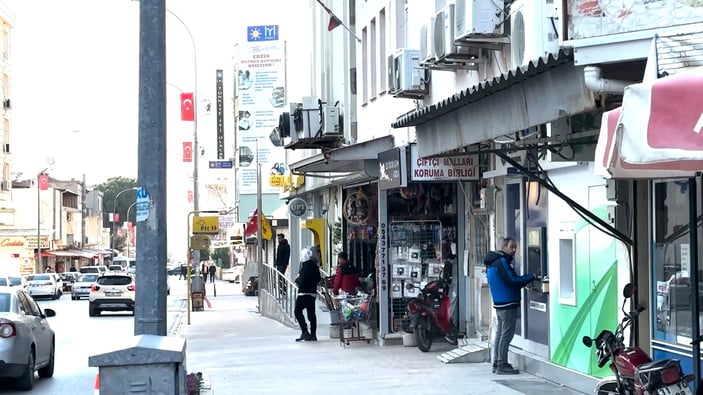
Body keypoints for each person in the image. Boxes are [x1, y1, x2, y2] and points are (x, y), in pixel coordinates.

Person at [485, 237, 536, 375]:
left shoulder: (492, 262)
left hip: (500, 304)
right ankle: (502, 364)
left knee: (500, 335)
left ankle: (496, 363)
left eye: (515, 247)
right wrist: (532, 276)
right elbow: (512, 280)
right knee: (506, 336)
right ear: (504, 247)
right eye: (512, 247)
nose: (514, 250)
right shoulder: (501, 261)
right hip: (507, 304)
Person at [294, 247, 321, 342]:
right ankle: (313, 334)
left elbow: (302, 281)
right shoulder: (315, 266)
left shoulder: (305, 267)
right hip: (312, 293)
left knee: (297, 311)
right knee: (311, 314)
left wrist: (297, 279)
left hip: (303, 293)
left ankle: (304, 331)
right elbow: (318, 278)